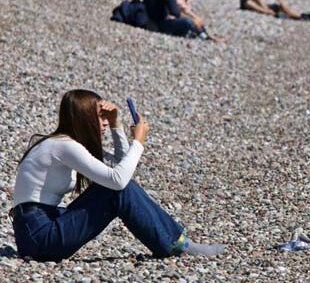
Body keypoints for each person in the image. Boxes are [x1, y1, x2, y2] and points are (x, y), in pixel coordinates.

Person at [11, 89, 225, 261]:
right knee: (116, 190)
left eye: (105, 118)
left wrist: (116, 125)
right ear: (84, 118)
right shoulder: (64, 147)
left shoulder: (65, 144)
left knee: (118, 188)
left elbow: (122, 169)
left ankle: (178, 243)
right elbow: (119, 180)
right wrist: (138, 143)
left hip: (39, 228)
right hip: (39, 236)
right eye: (100, 117)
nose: (104, 122)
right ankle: (177, 245)